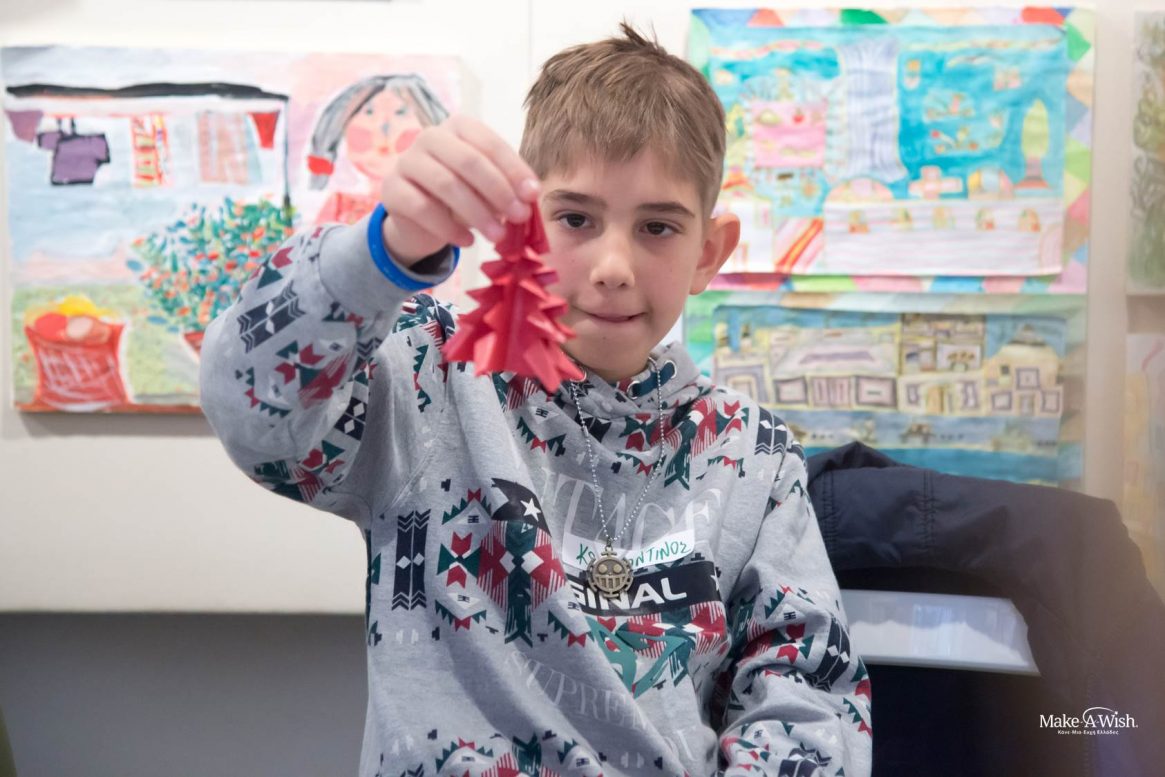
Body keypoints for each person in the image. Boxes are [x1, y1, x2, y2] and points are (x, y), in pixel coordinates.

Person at [201, 24, 872, 777]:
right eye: (576, 219)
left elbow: (806, 691)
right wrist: (380, 254)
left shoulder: (754, 454)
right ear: (522, 225)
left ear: (707, 253)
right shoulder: (433, 373)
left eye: (657, 227)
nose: (613, 265)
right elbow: (252, 411)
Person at [306, 74, 449, 225]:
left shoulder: (433, 206)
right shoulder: (339, 205)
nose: (383, 127)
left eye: (400, 112)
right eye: (368, 112)